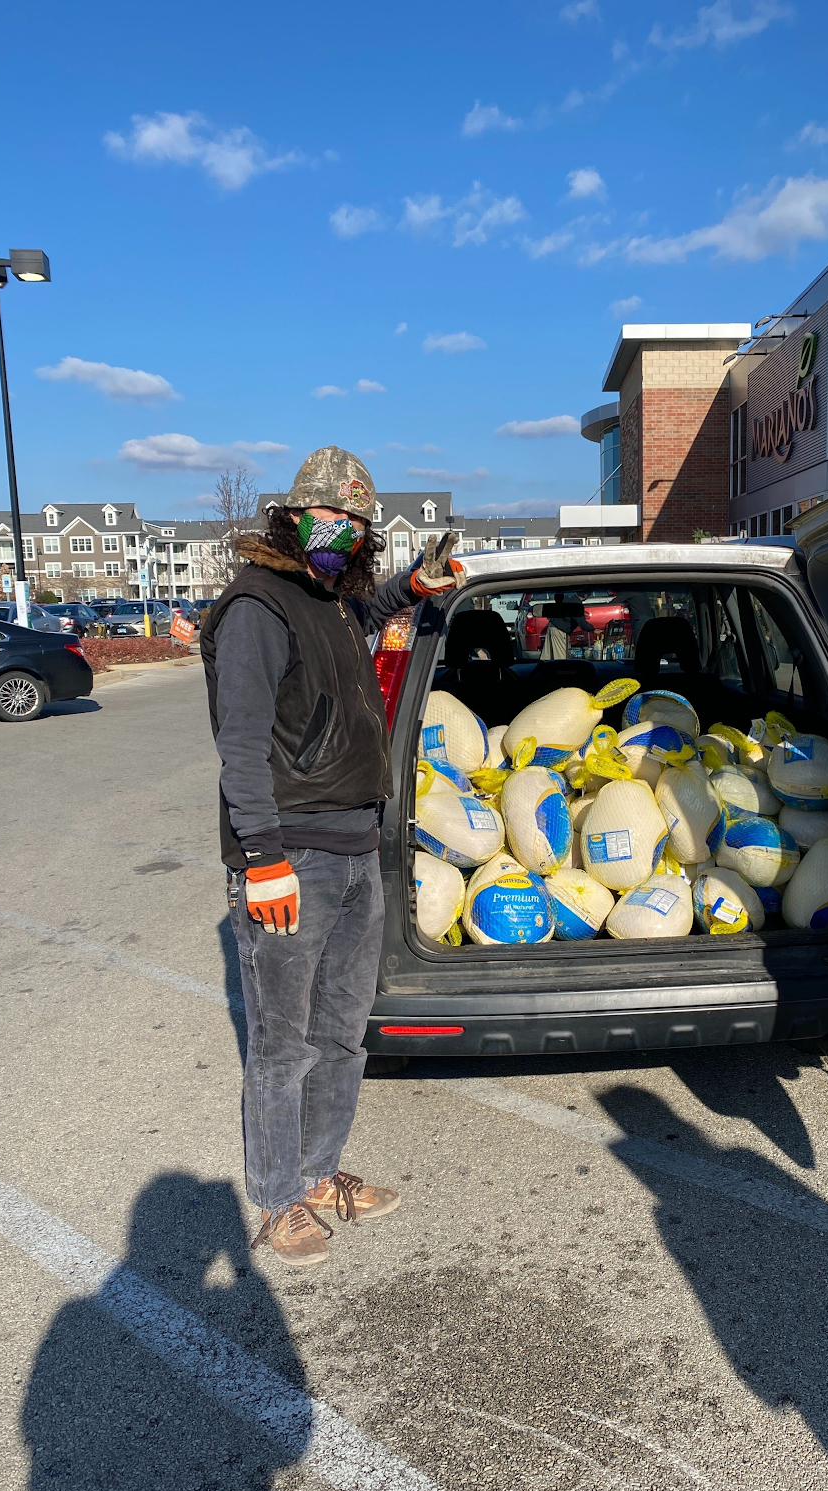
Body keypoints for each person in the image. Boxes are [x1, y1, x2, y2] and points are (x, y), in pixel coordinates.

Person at [200, 446, 462, 1267]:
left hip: (355, 850)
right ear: (290, 515)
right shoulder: (256, 607)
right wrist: (263, 857)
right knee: (282, 1045)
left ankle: (317, 1175)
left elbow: (364, 611)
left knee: (343, 1036)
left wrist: (413, 586)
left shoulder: (329, 600)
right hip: (291, 859)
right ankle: (279, 1201)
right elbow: (239, 746)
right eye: (329, 514)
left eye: (355, 521)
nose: (342, 531)